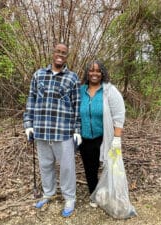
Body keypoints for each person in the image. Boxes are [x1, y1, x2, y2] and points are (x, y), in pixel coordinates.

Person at [23, 43, 81, 217]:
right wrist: (28, 124)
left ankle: (69, 197)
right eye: (58, 52)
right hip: (41, 130)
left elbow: (77, 105)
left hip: (63, 131)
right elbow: (31, 100)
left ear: (66, 56)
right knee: (46, 165)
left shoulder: (72, 78)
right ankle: (48, 193)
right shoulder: (38, 75)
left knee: (67, 167)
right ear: (52, 53)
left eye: (64, 53)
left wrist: (77, 129)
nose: (60, 55)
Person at [79, 59, 125, 208]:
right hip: (85, 138)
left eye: (98, 71)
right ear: (87, 72)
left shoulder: (109, 91)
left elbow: (119, 115)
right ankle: (94, 195)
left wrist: (117, 139)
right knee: (90, 169)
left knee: (109, 166)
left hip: (104, 137)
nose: (94, 73)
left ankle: (110, 193)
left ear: (102, 73)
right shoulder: (81, 91)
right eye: (91, 70)